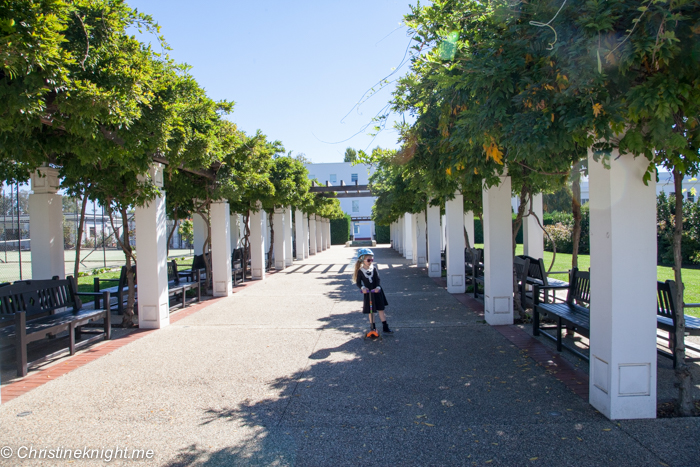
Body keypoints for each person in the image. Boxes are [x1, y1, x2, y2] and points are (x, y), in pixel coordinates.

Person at [352, 248, 392, 335]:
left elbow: (377, 279)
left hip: (376, 291)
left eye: (372, 259)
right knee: (371, 311)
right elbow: (358, 282)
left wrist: (378, 287)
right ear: (362, 260)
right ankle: (373, 327)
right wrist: (363, 288)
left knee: (381, 309)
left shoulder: (373, 268)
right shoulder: (360, 271)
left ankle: (385, 326)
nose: (370, 261)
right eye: (368, 259)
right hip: (368, 293)